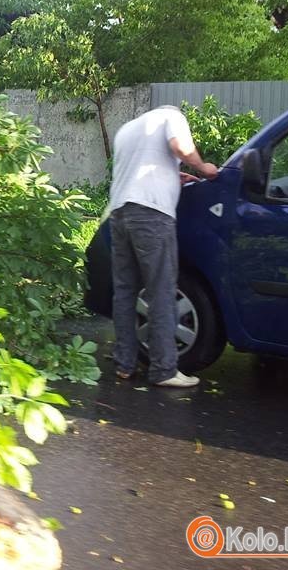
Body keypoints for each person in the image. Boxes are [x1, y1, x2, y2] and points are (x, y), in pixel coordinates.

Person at [107, 105, 218, 388]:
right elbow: (179, 147)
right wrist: (203, 168)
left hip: (119, 212)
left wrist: (173, 175)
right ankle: (164, 369)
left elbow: (140, 168)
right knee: (161, 290)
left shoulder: (127, 129)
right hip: (152, 214)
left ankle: (124, 364)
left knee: (125, 291)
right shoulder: (172, 116)